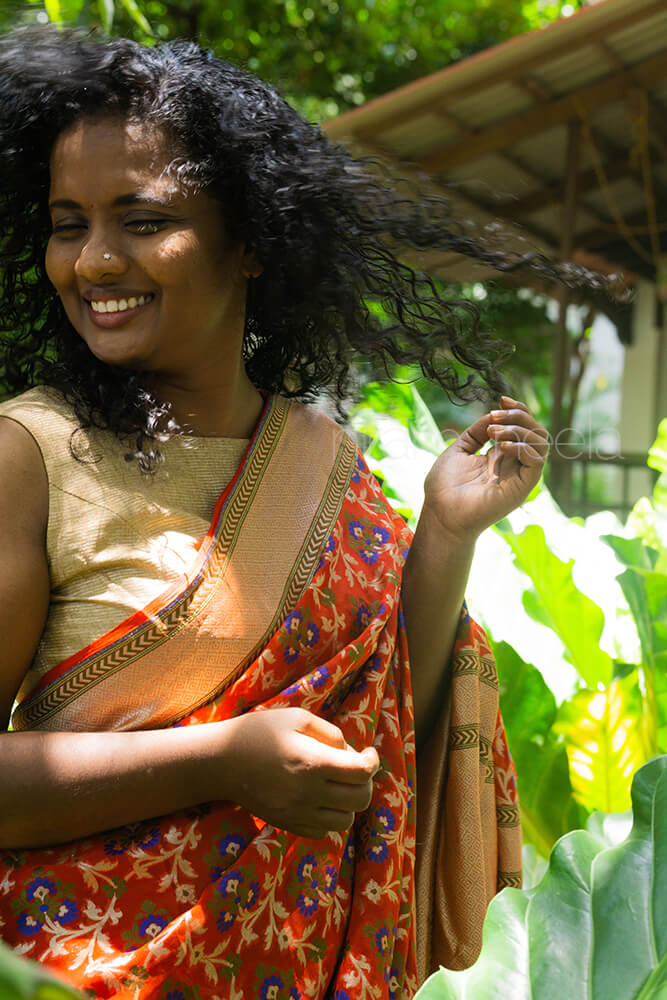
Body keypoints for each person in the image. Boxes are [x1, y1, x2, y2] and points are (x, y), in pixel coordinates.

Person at [0, 27, 555, 999]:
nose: (91, 262)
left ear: (250, 238)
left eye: (139, 219)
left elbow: (383, 714)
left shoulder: (326, 460)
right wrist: (217, 758)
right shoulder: (28, 453)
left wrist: (447, 534)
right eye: (66, 221)